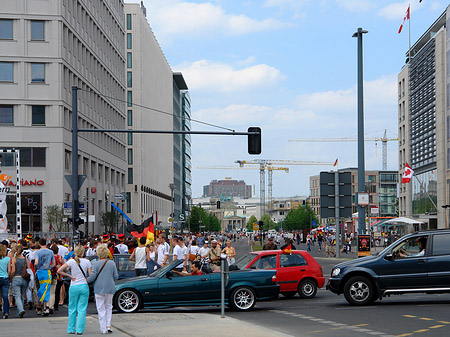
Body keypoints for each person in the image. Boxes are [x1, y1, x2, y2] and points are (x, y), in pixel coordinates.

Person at [58, 245, 92, 335]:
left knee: (72, 308)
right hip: (84, 286)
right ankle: (80, 330)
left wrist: (69, 276)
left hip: (74, 286)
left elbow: (59, 270)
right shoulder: (87, 262)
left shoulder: (71, 261)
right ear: (83, 252)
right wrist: (87, 280)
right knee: (82, 309)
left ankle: (71, 329)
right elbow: (90, 275)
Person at [87, 245, 118, 335]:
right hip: (110, 287)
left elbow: (92, 277)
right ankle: (108, 325)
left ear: (98, 254)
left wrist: (86, 280)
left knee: (101, 308)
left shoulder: (96, 264)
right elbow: (116, 276)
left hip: (99, 288)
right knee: (109, 306)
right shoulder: (112, 263)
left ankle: (103, 328)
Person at [34, 238, 55, 316]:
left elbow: (36, 262)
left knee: (39, 290)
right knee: (46, 289)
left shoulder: (37, 252)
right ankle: (46, 307)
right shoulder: (50, 252)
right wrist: (49, 266)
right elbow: (54, 263)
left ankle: (39, 307)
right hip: (47, 272)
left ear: (39, 243)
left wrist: (37, 267)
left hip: (39, 272)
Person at [10, 244, 29, 318]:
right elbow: (28, 269)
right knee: (22, 295)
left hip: (16, 278)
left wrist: (10, 277)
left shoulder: (14, 259)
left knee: (17, 295)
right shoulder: (25, 258)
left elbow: (13, 270)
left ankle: (20, 310)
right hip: (24, 279)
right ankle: (19, 312)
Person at [0, 243, 11, 319]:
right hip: (5, 277)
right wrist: (8, 276)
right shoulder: (8, 259)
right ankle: (6, 312)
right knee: (5, 295)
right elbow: (9, 270)